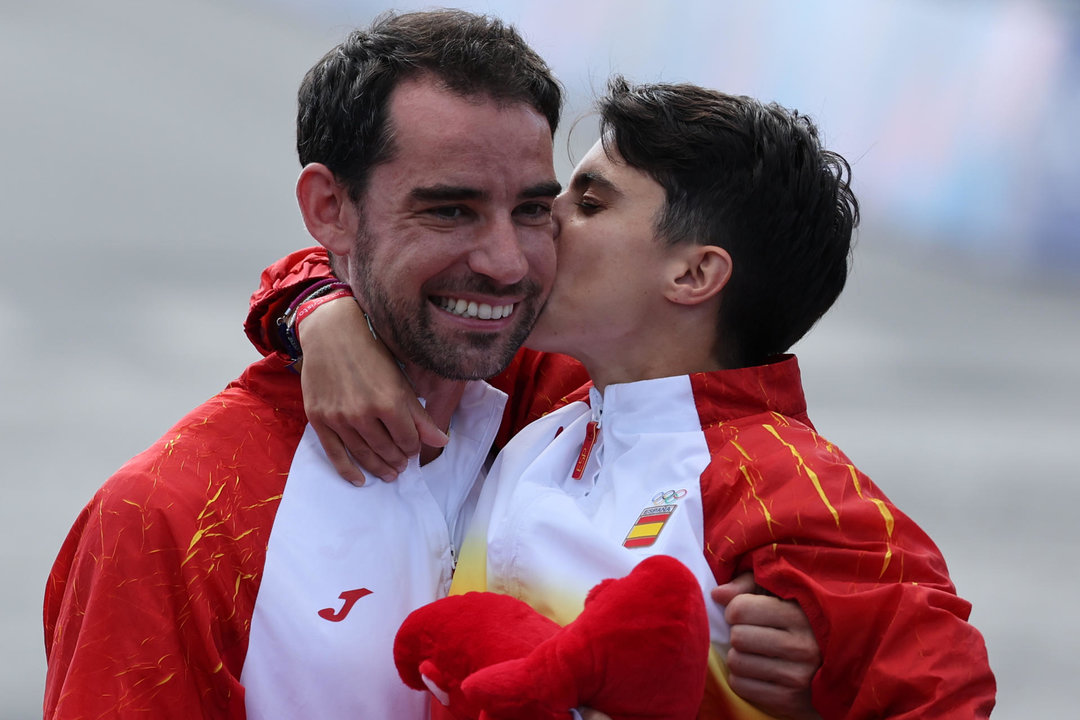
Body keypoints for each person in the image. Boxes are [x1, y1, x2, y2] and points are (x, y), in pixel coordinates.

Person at [43, 10, 818, 720]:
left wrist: (814, 675)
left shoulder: (572, 398)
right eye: (449, 210)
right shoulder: (169, 519)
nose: (506, 263)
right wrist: (315, 306)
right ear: (329, 211)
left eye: (533, 210)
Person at [262, 78, 997, 718]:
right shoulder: (545, 401)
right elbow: (382, 274)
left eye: (588, 202)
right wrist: (322, 316)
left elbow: (945, 690)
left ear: (693, 275)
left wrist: (835, 693)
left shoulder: (784, 490)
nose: (544, 220)